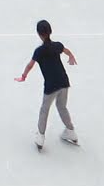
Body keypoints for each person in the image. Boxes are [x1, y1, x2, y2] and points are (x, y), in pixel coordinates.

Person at [17, 20, 79, 150]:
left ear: (39, 34)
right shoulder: (57, 45)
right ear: (50, 32)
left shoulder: (39, 51)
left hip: (51, 86)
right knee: (62, 107)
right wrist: (71, 56)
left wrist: (23, 76)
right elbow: (66, 51)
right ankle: (71, 131)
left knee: (44, 109)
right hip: (64, 82)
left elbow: (30, 65)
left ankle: (40, 137)